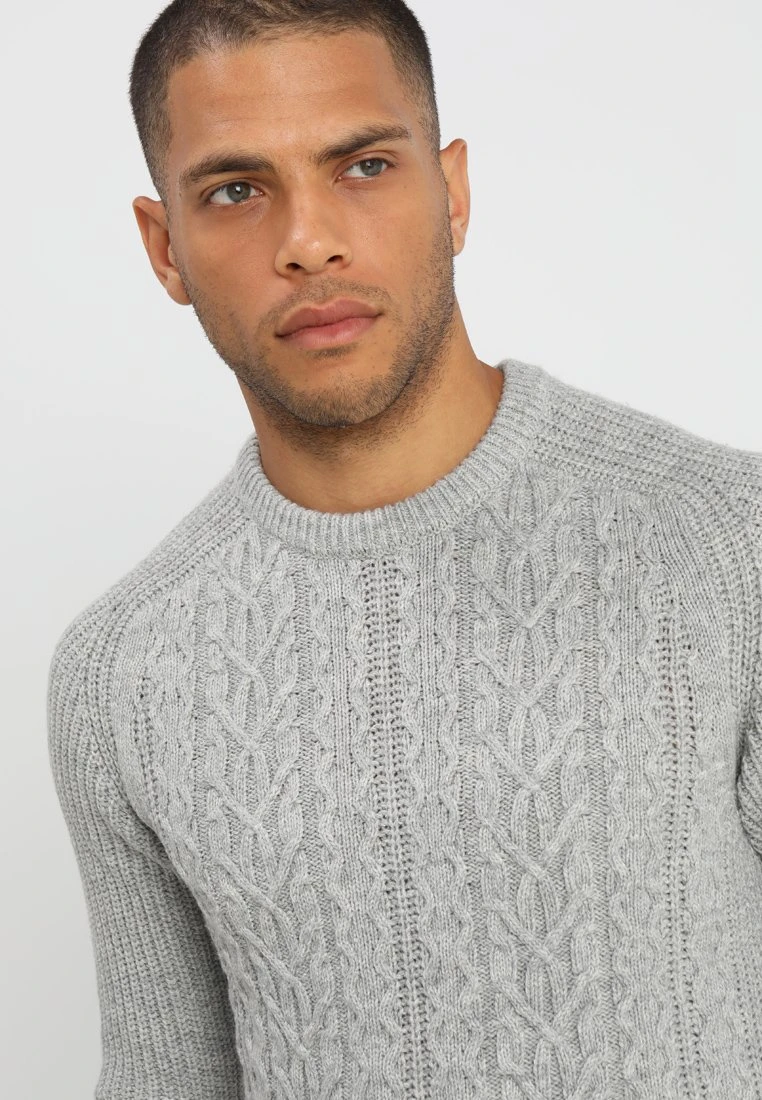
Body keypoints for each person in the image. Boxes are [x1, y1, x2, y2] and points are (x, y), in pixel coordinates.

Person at [46, 2, 762, 1098]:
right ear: (164, 247)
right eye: (235, 190)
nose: (308, 240)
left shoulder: (724, 541)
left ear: (453, 192)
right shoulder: (121, 677)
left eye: (365, 166)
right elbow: (162, 1078)